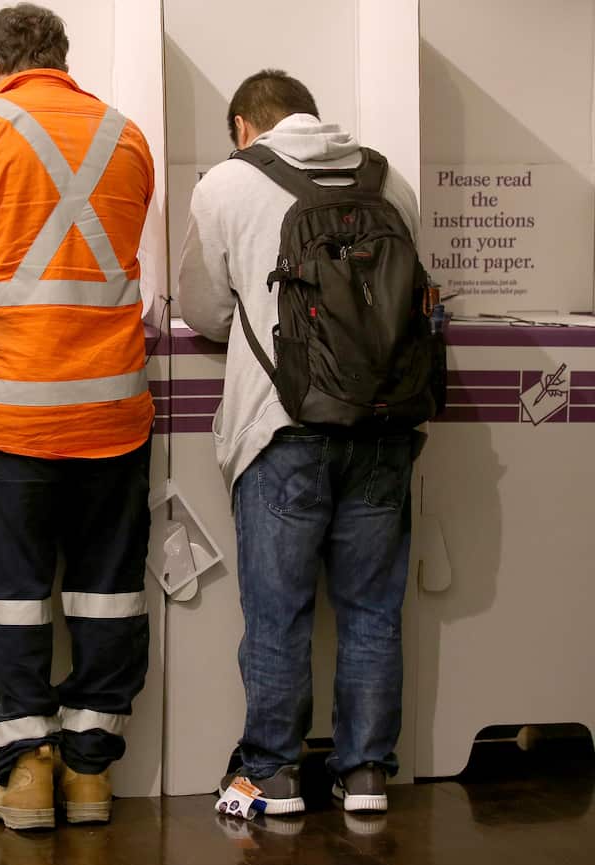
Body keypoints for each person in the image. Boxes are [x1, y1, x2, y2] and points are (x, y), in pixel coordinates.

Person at [0, 3, 155, 831]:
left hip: (10, 418)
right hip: (114, 415)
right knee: (106, 595)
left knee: (10, 598)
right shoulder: (127, 137)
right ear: (62, 59)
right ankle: (89, 776)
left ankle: (27, 773)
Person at [177, 70, 423, 816]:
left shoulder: (227, 183)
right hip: (383, 426)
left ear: (246, 128)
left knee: (277, 610)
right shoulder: (390, 181)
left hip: (280, 428)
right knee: (373, 609)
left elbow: (202, 309)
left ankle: (274, 776)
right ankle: (367, 775)